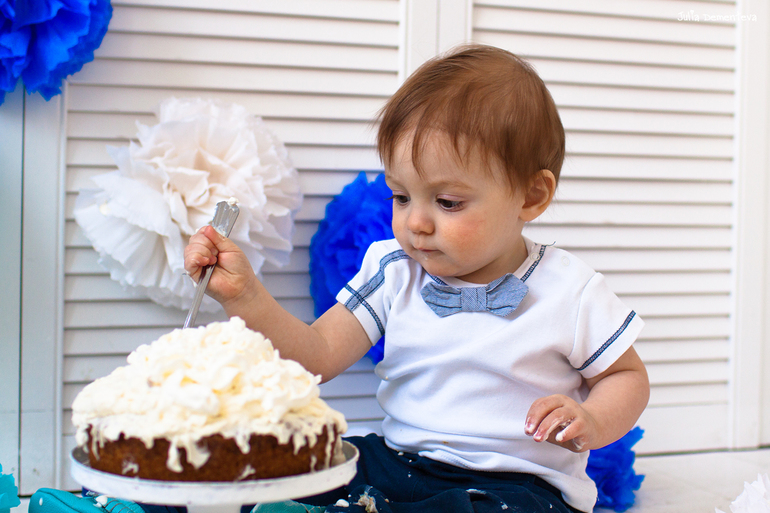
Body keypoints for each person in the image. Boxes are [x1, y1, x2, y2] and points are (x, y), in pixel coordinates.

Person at [184, 44, 649, 513]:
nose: (416, 223)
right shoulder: (394, 270)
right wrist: (244, 295)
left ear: (531, 195)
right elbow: (315, 356)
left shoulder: (568, 288)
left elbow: (627, 376)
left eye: (447, 203)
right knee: (306, 462)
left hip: (517, 485)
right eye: (401, 196)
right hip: (401, 462)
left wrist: (592, 417)